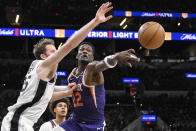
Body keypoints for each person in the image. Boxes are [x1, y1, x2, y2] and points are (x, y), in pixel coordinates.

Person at [1, 2, 113, 131]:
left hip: (22, 122)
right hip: (17, 122)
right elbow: (70, 44)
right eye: (53, 52)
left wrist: (67, 91)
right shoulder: (44, 65)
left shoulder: (39, 70)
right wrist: (95, 21)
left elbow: (46, 97)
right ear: (43, 56)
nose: (56, 54)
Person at [53, 42, 140, 131]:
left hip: (93, 125)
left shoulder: (93, 69)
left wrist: (115, 57)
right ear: (77, 55)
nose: (85, 52)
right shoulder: (72, 74)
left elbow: (104, 64)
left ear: (92, 57)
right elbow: (73, 92)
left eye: (88, 50)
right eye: (82, 50)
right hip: (75, 121)